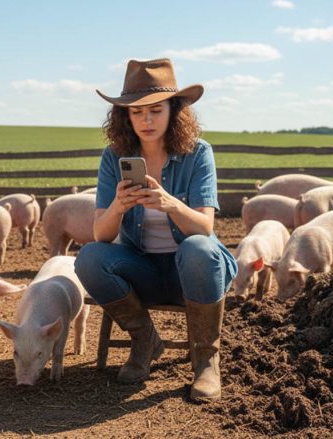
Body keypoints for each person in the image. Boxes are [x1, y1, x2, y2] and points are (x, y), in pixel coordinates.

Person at [74, 58, 237, 402]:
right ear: (125, 116)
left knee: (198, 247)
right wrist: (118, 206)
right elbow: (102, 235)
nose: (146, 121)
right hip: (143, 270)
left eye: (155, 110)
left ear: (174, 111)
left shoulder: (198, 153)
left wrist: (170, 204)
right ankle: (144, 340)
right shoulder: (114, 157)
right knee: (89, 257)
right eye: (137, 112)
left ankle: (206, 360)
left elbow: (205, 227)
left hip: (193, 275)